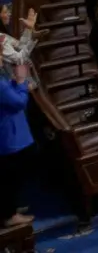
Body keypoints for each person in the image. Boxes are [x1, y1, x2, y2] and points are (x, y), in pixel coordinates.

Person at [0, 60, 35, 228]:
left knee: (11, 175)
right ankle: (9, 214)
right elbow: (19, 102)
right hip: (9, 136)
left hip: (9, 134)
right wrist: (21, 81)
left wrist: (18, 84)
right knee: (10, 176)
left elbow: (9, 92)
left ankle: (10, 208)